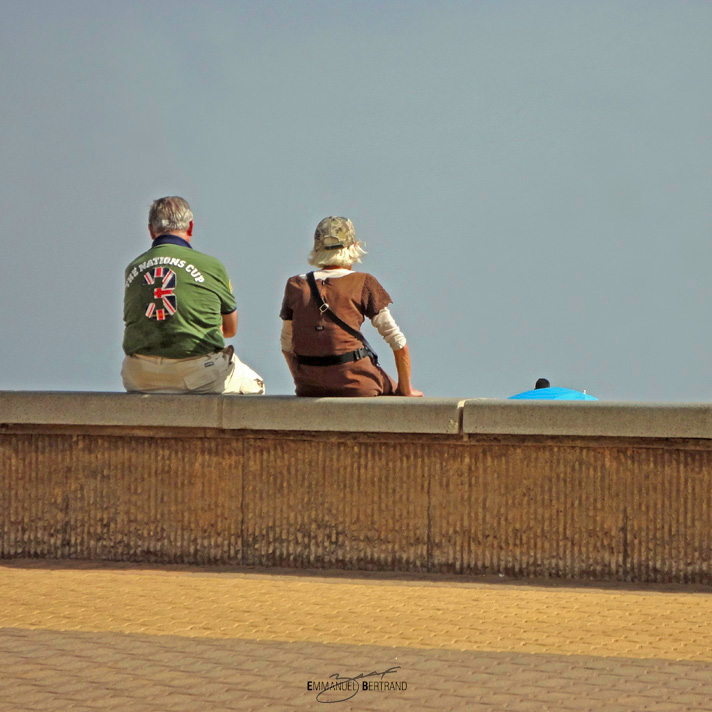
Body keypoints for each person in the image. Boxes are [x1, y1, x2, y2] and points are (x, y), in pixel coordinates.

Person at [121, 196, 264, 394]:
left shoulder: (133, 268)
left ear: (151, 230)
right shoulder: (211, 266)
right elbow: (230, 329)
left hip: (139, 375)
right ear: (190, 227)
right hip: (194, 373)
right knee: (254, 385)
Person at [279, 216, 422, 397]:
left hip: (308, 385)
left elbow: (286, 345)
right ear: (353, 247)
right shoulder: (364, 282)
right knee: (394, 390)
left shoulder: (296, 285)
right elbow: (398, 342)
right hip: (357, 382)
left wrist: (304, 379)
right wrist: (405, 389)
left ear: (316, 248)